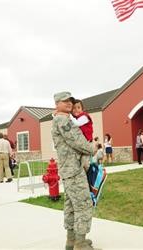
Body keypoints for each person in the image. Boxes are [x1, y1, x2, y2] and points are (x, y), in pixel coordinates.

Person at [51, 91, 99, 250]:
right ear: (57, 104)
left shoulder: (63, 118)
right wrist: (94, 148)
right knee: (84, 204)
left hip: (70, 168)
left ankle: (71, 241)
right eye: (64, 101)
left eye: (70, 101)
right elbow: (77, 141)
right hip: (74, 169)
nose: (69, 103)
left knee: (72, 205)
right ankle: (80, 243)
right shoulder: (63, 120)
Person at [71, 99, 94, 172]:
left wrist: (68, 115)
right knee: (80, 163)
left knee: (85, 163)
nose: (76, 110)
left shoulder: (84, 117)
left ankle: (94, 176)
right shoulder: (75, 118)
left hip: (87, 143)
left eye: (78, 107)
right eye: (74, 108)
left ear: (82, 109)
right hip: (81, 143)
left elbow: (77, 123)